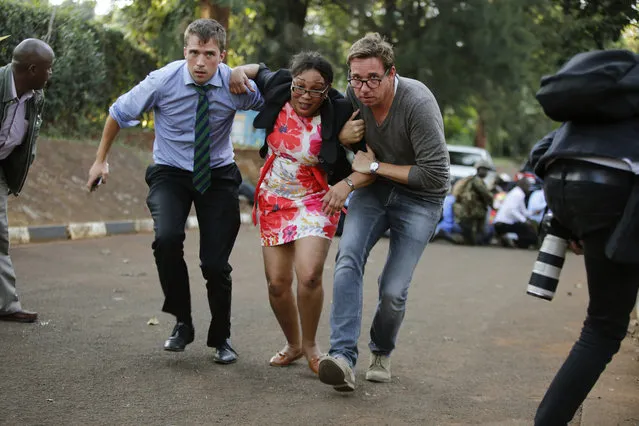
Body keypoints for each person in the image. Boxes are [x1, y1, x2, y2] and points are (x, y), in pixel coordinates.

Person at [85, 19, 263, 364]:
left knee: (214, 264)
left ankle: (221, 337)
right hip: (170, 171)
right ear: (185, 51)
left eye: (209, 54)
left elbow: (278, 101)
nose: (200, 62)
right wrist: (100, 161)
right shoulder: (162, 80)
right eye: (194, 52)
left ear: (221, 55)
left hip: (218, 174)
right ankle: (183, 323)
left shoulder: (234, 83)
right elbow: (118, 114)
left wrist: (251, 73)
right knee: (166, 239)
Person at [316, 33, 449, 392]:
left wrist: (374, 170)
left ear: (392, 73)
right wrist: (344, 140)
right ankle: (342, 357)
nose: (363, 87)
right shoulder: (353, 100)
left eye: (373, 78)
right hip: (373, 192)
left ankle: (381, 350)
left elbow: (435, 174)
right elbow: (348, 154)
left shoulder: (417, 103)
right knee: (347, 259)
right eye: (356, 79)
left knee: (393, 290)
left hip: (422, 198)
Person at [229, 52, 367, 374]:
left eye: (316, 90)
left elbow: (368, 162)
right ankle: (292, 344)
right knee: (277, 283)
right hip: (275, 197)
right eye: (299, 86)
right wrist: (236, 70)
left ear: (328, 89)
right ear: (291, 82)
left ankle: (311, 346)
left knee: (308, 275)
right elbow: (256, 70)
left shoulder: (342, 111)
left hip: (317, 199)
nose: (305, 95)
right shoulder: (279, 86)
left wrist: (345, 176)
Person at [0, 38, 54, 323]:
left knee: (0, 236)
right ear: (32, 69)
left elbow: (26, 139)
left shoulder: (35, 97)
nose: (50, 74)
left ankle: (6, 305)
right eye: (48, 69)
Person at [452, 159, 494, 245]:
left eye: (486, 170)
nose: (485, 172)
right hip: (474, 210)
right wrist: (492, 202)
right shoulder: (477, 181)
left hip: (470, 209)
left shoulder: (474, 180)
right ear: (478, 169)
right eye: (483, 169)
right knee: (476, 231)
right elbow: (486, 194)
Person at [492, 178, 538, 248]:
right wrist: (524, 221)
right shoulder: (518, 194)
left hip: (500, 223)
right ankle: (512, 239)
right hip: (503, 224)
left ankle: (509, 238)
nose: (529, 188)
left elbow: (524, 211)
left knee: (526, 228)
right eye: (528, 186)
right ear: (523, 185)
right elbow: (512, 210)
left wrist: (533, 213)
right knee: (527, 230)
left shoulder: (517, 192)